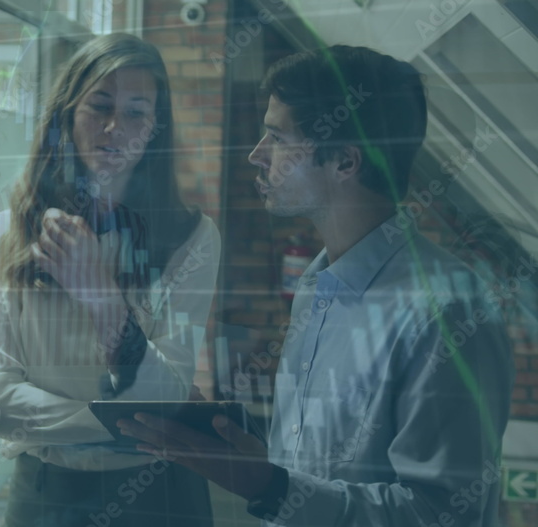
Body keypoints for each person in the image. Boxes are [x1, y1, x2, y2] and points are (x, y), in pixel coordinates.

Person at [119, 45, 515, 526]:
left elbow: (442, 515)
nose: (255, 155)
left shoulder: (446, 312)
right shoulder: (317, 287)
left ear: (345, 162)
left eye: (277, 138)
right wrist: (251, 455)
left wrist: (268, 485)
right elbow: (319, 475)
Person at [0, 33, 221, 527]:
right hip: (44, 491)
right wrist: (130, 423)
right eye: (99, 106)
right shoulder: (4, 234)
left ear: (155, 127)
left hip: (160, 491)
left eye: (136, 112)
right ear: (66, 113)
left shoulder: (192, 237)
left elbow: (167, 396)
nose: (115, 128)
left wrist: (100, 295)